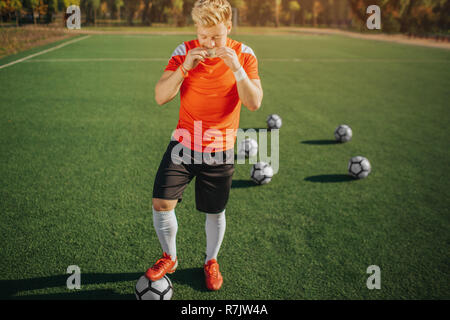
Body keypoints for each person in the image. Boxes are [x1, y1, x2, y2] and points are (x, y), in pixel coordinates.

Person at [145, 0, 263, 291]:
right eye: (204, 36)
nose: (210, 44)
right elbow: (161, 96)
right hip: (183, 143)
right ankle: (170, 257)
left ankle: (211, 261)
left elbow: (254, 102)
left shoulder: (244, 55)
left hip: (219, 147)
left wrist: (235, 67)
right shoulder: (183, 51)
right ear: (196, 28)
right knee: (162, 203)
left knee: (215, 211)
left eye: (217, 37)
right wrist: (185, 67)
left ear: (229, 28)